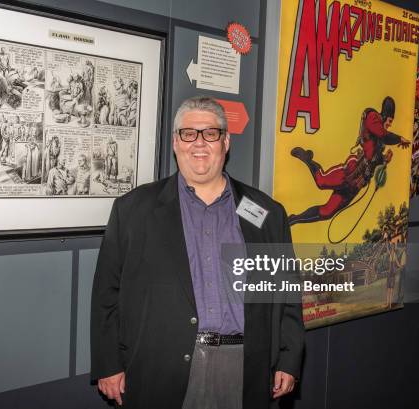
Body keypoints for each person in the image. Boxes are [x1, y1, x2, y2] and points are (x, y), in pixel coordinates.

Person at [91, 96, 304, 409]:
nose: (199, 144)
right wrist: (109, 364)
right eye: (189, 134)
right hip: (160, 367)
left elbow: (286, 292)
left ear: (226, 142)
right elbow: (106, 295)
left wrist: (288, 357)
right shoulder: (133, 211)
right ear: (176, 142)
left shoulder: (266, 213)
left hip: (244, 366)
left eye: (211, 133)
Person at [288, 96, 411, 225]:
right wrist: (399, 139)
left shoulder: (381, 137)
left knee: (327, 212)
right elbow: (382, 135)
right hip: (351, 169)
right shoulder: (373, 117)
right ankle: (307, 159)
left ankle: (293, 219)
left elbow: (373, 157)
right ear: (385, 115)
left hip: (356, 184)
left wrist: (384, 159)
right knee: (321, 181)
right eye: (390, 120)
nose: (390, 124)